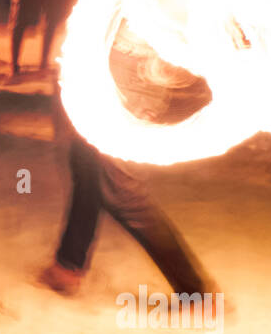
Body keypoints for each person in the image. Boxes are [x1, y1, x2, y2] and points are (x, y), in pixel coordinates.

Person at [41, 103, 222, 302]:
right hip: (108, 95)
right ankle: (67, 265)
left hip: (121, 96)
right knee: (87, 172)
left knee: (124, 194)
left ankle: (197, 294)